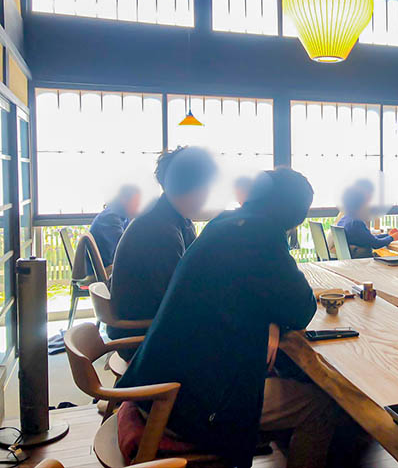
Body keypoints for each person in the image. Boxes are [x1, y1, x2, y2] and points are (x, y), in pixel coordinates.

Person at [117, 168, 339, 468]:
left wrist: (272, 321)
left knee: (287, 373)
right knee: (322, 403)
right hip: (184, 404)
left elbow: (248, 293)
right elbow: (300, 309)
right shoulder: (262, 237)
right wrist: (276, 318)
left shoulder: (224, 222)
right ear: (294, 215)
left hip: (155, 383)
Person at [109, 146, 217, 348]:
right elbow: (177, 299)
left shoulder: (173, 219)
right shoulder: (159, 230)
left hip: (151, 325)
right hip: (144, 339)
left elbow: (197, 268)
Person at [336, 185, 398, 258]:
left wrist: (388, 235)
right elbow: (376, 244)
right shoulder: (356, 222)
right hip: (361, 259)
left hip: (351, 259)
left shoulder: (345, 219)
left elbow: (369, 238)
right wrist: (392, 238)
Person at [88, 184, 141, 271]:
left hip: (106, 269)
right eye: (136, 201)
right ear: (124, 200)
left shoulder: (122, 217)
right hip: (99, 274)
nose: (139, 205)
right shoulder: (110, 218)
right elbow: (124, 251)